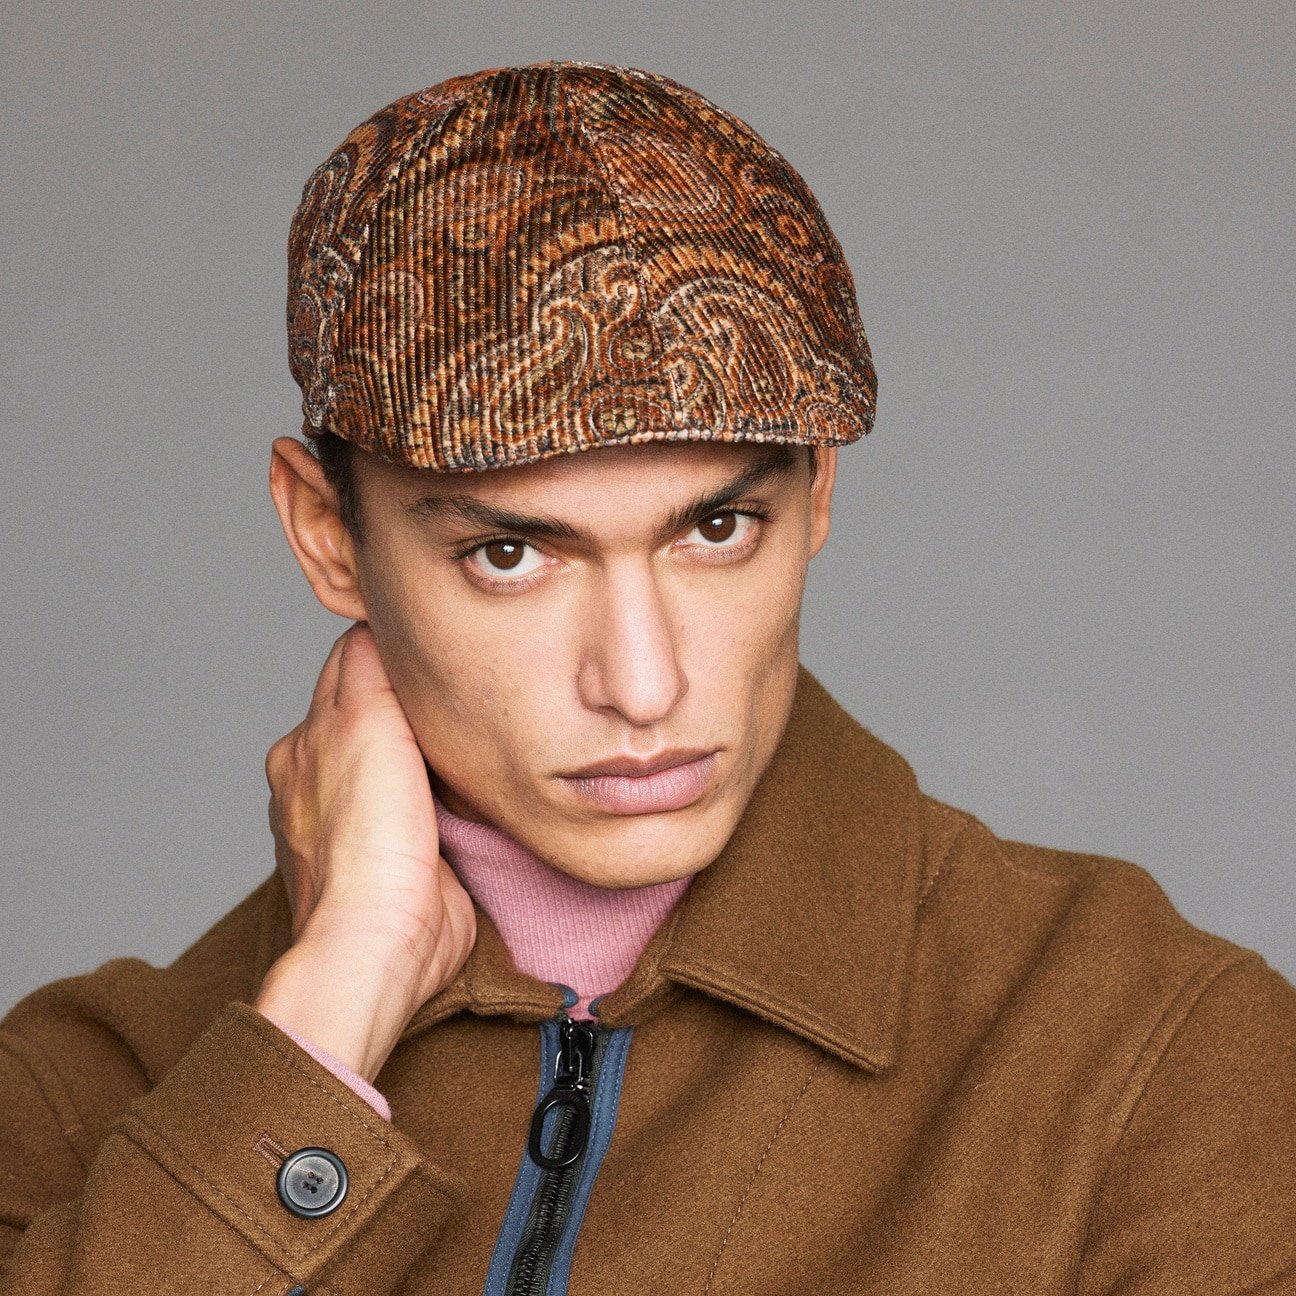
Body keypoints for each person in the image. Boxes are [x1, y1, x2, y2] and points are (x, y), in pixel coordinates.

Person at [1, 59, 1292, 1296]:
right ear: (326, 531)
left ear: (816, 495)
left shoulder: (1153, 1053)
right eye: (511, 553)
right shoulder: (76, 1100)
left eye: (716, 528)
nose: (643, 682)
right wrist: (323, 1022)